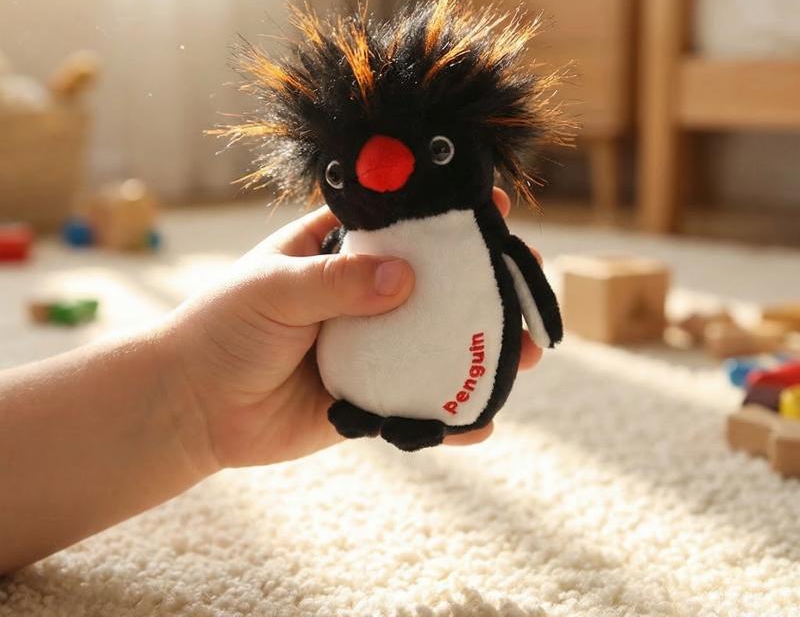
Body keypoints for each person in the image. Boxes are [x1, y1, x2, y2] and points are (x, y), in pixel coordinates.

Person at [0, 189, 542, 573]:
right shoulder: (361, 234)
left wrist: (192, 392)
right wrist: (192, 395)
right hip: (340, 387)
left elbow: (525, 279)